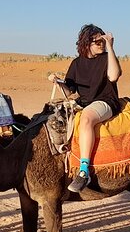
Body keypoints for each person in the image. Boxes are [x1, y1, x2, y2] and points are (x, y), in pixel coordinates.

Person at [52, 24, 121, 193]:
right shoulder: (77, 63)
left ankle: (84, 171)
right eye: (98, 41)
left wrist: (111, 48)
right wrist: (58, 82)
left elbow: (113, 76)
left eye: (103, 40)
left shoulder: (107, 58)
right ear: (86, 43)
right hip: (83, 103)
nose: (102, 44)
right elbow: (70, 91)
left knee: (87, 118)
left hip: (105, 102)